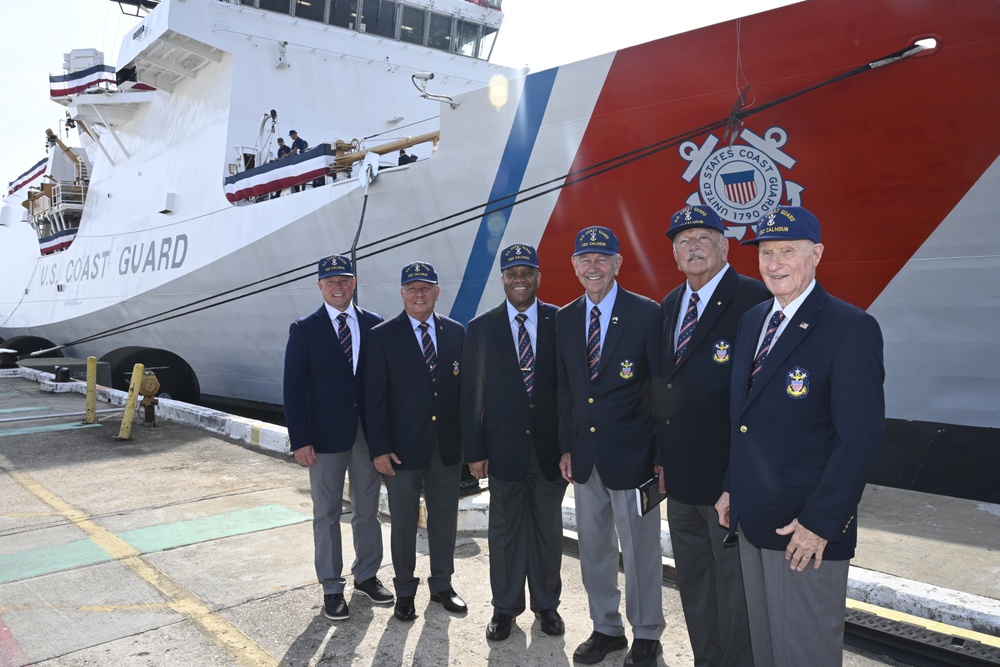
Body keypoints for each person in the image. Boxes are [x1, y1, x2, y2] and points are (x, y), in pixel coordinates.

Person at [716, 205, 885, 666]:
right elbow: (743, 419)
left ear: (816, 254)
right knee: (768, 651)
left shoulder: (850, 328)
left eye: (786, 251)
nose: (773, 263)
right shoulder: (753, 321)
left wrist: (820, 524)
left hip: (803, 530)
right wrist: (732, 485)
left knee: (804, 651)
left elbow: (860, 440)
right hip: (752, 519)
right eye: (766, 252)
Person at [654, 206, 770, 667]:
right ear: (675, 253)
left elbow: (759, 404)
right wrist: (660, 457)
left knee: (734, 590)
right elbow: (661, 388)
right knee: (695, 585)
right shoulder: (668, 305)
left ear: (724, 245)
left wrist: (736, 478)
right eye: (683, 240)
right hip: (680, 481)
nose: (693, 246)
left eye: (704, 236)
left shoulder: (754, 300)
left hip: (728, 482)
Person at [556, 227, 664, 667]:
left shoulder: (646, 313)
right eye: (585, 259)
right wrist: (566, 447)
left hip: (635, 456)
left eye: (602, 258)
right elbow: (564, 389)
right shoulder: (564, 318)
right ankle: (606, 628)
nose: (593, 266)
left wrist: (660, 456)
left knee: (640, 549)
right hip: (585, 458)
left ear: (618, 264)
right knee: (594, 548)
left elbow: (660, 389)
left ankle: (647, 633)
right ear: (574, 267)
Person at [461, 243, 567, 642]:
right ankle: (505, 609)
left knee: (547, 533)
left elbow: (570, 392)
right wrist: (475, 452)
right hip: (502, 452)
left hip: (549, 452)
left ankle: (547, 607)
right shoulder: (482, 327)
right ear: (502, 279)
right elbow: (471, 396)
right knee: (503, 534)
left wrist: (569, 446)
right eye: (512, 273)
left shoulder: (560, 321)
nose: (520, 279)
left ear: (538, 276)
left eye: (527, 272)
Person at [282, 254, 393, 621]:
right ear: (320, 286)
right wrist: (300, 439)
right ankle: (331, 585)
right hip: (324, 435)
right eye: (331, 282)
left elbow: (381, 385)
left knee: (367, 510)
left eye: (344, 280)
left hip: (367, 434)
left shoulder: (374, 324)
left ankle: (367, 575)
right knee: (327, 513)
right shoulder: (305, 329)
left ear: (354, 283)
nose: (338, 286)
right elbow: (294, 388)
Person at [364, 261, 468, 623]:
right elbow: (372, 398)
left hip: (446, 448)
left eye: (426, 287)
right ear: (402, 293)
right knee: (404, 522)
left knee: (445, 519)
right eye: (412, 288)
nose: (419, 293)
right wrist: (378, 448)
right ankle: (405, 590)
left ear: (438, 292)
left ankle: (442, 585)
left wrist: (471, 445)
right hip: (400, 450)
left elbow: (465, 395)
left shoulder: (456, 333)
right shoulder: (381, 335)